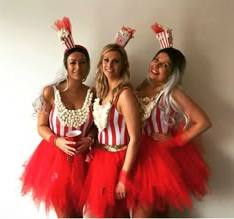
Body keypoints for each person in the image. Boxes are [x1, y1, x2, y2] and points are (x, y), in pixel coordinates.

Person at [20, 17, 96, 218]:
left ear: (88, 65)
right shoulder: (50, 92)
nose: (77, 67)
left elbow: (99, 125)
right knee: (64, 213)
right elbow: (41, 126)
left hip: (85, 159)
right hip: (55, 158)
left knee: (79, 212)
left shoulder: (94, 93)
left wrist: (90, 138)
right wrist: (57, 140)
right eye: (73, 62)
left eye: (82, 62)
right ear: (66, 65)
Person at [132, 45, 212, 217]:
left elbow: (203, 122)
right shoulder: (142, 86)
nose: (157, 65)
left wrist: (176, 141)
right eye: (157, 59)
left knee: (142, 213)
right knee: (157, 212)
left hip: (158, 159)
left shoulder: (172, 93)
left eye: (165, 65)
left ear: (172, 73)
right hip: (138, 153)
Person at [79, 41, 141, 217]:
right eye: (106, 60)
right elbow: (98, 128)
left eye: (115, 61)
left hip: (119, 161)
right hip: (99, 158)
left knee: (114, 213)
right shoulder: (101, 92)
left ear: (123, 66)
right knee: (98, 212)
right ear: (101, 63)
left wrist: (123, 177)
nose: (109, 65)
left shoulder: (125, 94)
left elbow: (135, 138)